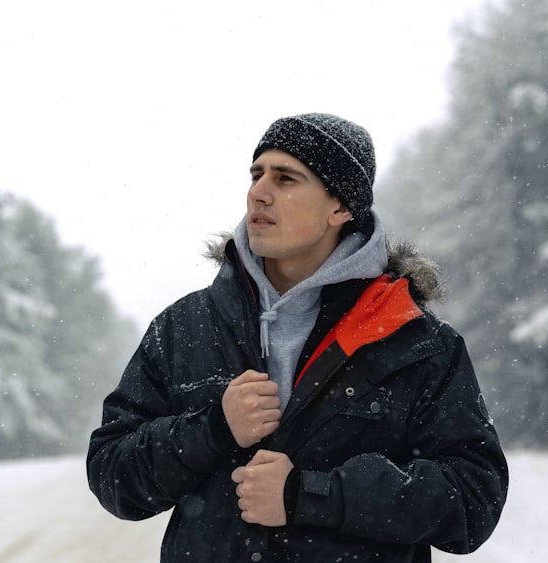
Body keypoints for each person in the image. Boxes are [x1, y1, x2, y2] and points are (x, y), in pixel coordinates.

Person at [86, 113, 508, 562]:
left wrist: (311, 496)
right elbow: (113, 476)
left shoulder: (413, 341)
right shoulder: (185, 328)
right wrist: (213, 429)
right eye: (256, 174)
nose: (259, 192)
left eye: (286, 178)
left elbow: (473, 500)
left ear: (341, 207)